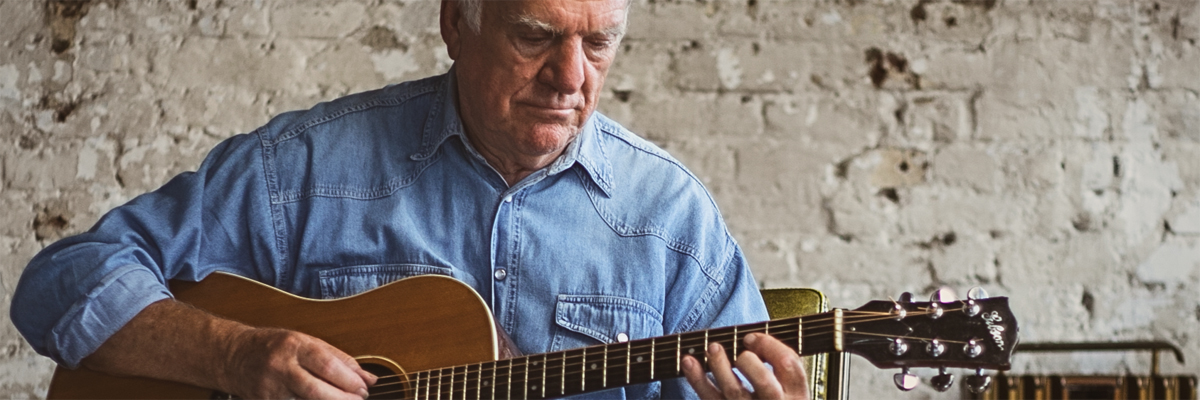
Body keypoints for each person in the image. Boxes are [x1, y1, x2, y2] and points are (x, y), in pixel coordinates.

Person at [11, 0, 809, 398]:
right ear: (456, 27)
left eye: (596, 44)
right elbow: (62, 281)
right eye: (536, 36)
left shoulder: (669, 219)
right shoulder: (310, 166)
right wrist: (236, 354)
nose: (571, 79)